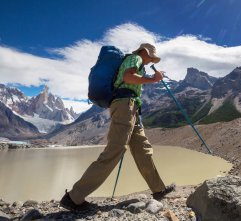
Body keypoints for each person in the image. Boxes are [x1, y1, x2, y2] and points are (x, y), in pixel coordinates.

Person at [60, 43, 176, 211]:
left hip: (132, 107)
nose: (151, 60)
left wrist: (152, 77)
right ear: (144, 52)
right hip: (125, 106)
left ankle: (158, 189)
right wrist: (152, 79)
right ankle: (73, 197)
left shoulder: (138, 64)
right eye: (151, 56)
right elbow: (129, 78)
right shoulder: (134, 58)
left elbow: (132, 77)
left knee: (143, 148)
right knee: (115, 150)